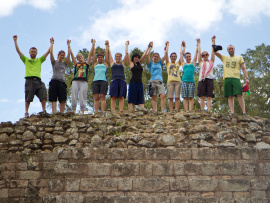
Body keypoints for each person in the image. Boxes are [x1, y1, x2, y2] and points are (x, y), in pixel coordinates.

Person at [13, 35, 51, 118]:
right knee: (28, 97)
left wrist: (51, 43)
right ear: (29, 53)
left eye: (34, 51)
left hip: (38, 80)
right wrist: (15, 41)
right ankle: (26, 112)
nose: (33, 52)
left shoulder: (39, 60)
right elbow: (18, 51)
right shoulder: (26, 59)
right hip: (29, 80)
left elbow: (48, 52)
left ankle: (44, 110)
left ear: (36, 53)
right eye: (32, 51)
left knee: (43, 93)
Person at [214, 39, 249, 116]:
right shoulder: (224, 58)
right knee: (230, 96)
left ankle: (244, 112)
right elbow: (215, 52)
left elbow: (243, 68)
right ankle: (232, 113)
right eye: (229, 49)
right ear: (227, 50)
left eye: (232, 48)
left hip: (236, 78)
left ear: (234, 49)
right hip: (227, 78)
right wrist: (213, 42)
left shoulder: (239, 58)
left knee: (239, 94)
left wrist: (247, 78)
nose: (231, 50)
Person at [126, 41, 152, 111]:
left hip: (140, 83)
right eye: (135, 57)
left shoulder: (140, 63)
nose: (136, 58)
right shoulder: (131, 64)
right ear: (133, 58)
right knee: (132, 99)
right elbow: (127, 54)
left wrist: (149, 47)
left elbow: (145, 55)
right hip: (133, 82)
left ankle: (142, 113)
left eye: (137, 57)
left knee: (140, 99)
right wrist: (126, 45)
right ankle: (130, 113)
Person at [70, 40, 93, 115]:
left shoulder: (86, 64)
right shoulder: (76, 64)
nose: (80, 58)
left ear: (83, 57)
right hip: (75, 81)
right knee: (74, 95)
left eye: (81, 56)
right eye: (78, 57)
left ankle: (82, 112)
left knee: (83, 96)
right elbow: (72, 55)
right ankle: (74, 111)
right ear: (78, 59)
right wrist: (69, 45)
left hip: (83, 81)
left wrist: (93, 44)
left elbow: (90, 54)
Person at [49, 38, 71, 113]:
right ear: (58, 55)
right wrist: (52, 43)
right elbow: (51, 53)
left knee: (63, 99)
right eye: (61, 55)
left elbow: (69, 55)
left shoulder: (64, 64)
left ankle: (61, 113)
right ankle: (54, 113)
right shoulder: (54, 62)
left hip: (62, 82)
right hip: (54, 81)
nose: (62, 56)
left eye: (63, 55)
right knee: (53, 98)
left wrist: (68, 45)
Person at [146, 42, 168, 112]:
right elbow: (147, 55)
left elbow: (165, 55)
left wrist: (166, 46)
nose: (156, 57)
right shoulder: (150, 64)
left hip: (160, 81)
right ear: (152, 57)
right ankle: (155, 111)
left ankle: (162, 111)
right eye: (154, 56)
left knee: (163, 96)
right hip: (153, 81)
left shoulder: (160, 63)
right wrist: (150, 47)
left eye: (157, 56)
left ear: (158, 58)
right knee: (154, 97)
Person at [107, 41, 128, 111]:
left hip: (122, 81)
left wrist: (126, 45)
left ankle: (121, 111)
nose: (118, 58)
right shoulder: (112, 63)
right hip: (114, 81)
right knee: (113, 96)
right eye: (116, 56)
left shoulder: (123, 64)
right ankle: (113, 111)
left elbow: (126, 54)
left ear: (121, 58)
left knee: (121, 97)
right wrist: (107, 45)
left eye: (119, 57)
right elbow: (109, 54)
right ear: (115, 57)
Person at [197, 36, 216, 112]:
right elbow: (199, 52)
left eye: (206, 54)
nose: (205, 56)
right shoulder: (201, 62)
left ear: (208, 55)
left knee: (209, 97)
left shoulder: (211, 61)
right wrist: (198, 43)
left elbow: (213, 52)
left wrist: (213, 42)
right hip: (202, 80)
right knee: (202, 97)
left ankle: (209, 110)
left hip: (210, 80)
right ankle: (202, 110)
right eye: (203, 55)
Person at [180, 39, 199, 111]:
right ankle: (186, 110)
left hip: (191, 81)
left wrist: (197, 44)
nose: (188, 57)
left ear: (190, 57)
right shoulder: (183, 63)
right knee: (184, 97)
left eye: (189, 56)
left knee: (191, 97)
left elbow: (196, 53)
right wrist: (183, 46)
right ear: (185, 58)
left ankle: (190, 110)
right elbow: (181, 54)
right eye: (187, 56)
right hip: (184, 81)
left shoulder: (193, 63)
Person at [91, 39, 109, 114]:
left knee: (102, 96)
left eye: (101, 57)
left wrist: (106, 45)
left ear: (103, 58)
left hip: (103, 81)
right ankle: (96, 112)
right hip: (95, 81)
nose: (100, 58)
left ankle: (102, 111)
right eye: (99, 57)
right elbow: (93, 53)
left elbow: (107, 54)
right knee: (96, 97)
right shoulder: (95, 64)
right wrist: (93, 44)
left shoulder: (105, 64)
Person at [165, 42, 183, 112]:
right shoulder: (168, 63)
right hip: (170, 82)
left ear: (176, 57)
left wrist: (181, 46)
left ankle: (176, 110)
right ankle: (171, 110)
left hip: (178, 81)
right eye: (172, 56)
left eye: (174, 56)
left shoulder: (178, 63)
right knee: (170, 97)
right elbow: (166, 54)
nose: (173, 57)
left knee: (177, 97)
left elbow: (182, 54)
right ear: (170, 57)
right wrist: (167, 46)